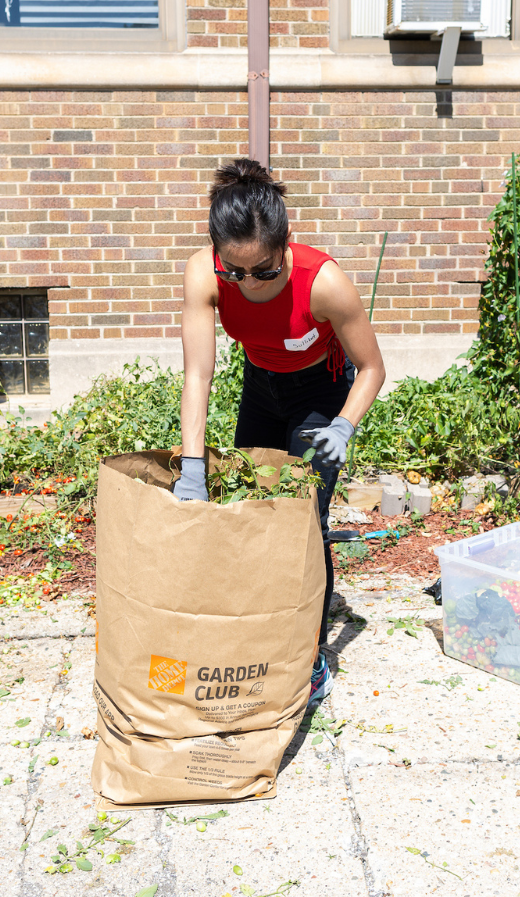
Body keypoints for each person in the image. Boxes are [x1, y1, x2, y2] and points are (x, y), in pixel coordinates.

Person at [175, 158, 386, 703]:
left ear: (285, 247)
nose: (248, 282)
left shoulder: (325, 284)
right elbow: (198, 372)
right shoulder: (203, 274)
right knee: (254, 510)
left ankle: (309, 654)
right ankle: (260, 631)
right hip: (262, 386)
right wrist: (193, 467)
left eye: (264, 271)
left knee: (302, 522)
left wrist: (344, 424)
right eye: (234, 271)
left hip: (321, 394)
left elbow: (373, 368)